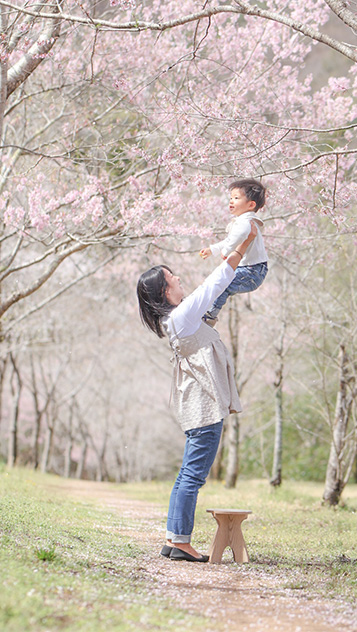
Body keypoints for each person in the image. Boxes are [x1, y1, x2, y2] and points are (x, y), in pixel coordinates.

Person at [136, 224, 257, 563]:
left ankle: (174, 538)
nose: (178, 279)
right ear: (164, 290)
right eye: (171, 277)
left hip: (197, 401)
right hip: (203, 404)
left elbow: (212, 296)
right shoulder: (182, 315)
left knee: (188, 472)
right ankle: (181, 542)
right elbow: (215, 283)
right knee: (193, 474)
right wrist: (244, 243)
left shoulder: (177, 317)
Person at [199, 178, 268, 325]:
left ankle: (210, 315)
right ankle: (207, 310)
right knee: (219, 282)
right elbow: (231, 240)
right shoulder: (242, 221)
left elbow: (235, 239)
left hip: (253, 272)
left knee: (223, 284)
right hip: (251, 270)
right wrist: (213, 249)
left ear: (251, 205)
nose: (231, 201)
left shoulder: (245, 222)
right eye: (230, 198)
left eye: (236, 198)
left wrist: (226, 251)